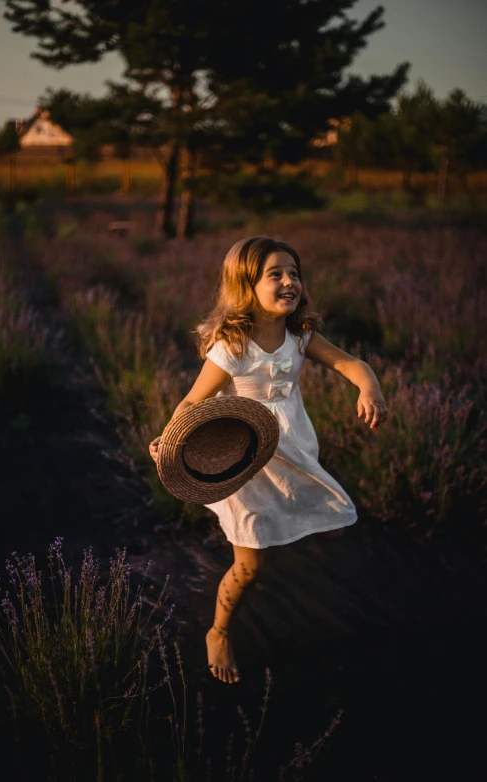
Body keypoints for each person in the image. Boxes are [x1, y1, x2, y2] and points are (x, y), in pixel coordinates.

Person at [149, 236, 387, 685]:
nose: (289, 281)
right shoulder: (232, 347)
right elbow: (190, 402)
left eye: (294, 273)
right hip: (245, 462)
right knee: (251, 568)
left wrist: (368, 387)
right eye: (274, 274)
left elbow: (351, 363)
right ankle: (219, 632)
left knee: (334, 526)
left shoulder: (300, 336)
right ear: (245, 285)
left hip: (292, 450)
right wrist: (168, 438)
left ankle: (292, 520)